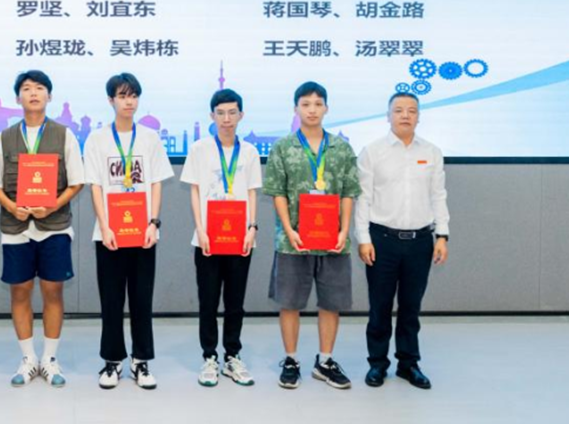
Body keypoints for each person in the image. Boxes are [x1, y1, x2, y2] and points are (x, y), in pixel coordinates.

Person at [0, 69, 85, 387]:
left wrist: (53, 205)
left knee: (53, 291)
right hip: (15, 228)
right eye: (27, 89)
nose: (33, 93)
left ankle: (50, 359)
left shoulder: (64, 135)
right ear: (18, 98)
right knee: (20, 291)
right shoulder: (5, 137)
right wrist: (11, 206)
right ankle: (28, 358)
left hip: (54, 227)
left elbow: (77, 181)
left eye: (40, 88)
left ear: (49, 96)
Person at [263, 81, 360, 390]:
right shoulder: (283, 147)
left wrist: (344, 230)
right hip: (294, 241)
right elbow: (277, 192)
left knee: (331, 302)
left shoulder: (341, 148)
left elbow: (349, 192)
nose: (312, 110)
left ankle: (325, 361)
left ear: (326, 108)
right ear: (296, 109)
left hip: (333, 241)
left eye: (318, 104)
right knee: (289, 302)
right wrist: (288, 229)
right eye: (306, 104)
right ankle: (291, 360)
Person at [85, 72, 173, 390]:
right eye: (122, 96)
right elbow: (95, 185)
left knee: (141, 300)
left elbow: (156, 182)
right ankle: (112, 361)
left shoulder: (150, 138)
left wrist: (153, 222)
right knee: (111, 301)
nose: (129, 102)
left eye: (133, 95)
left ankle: (141, 361)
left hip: (143, 234)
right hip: (109, 235)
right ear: (111, 100)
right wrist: (105, 226)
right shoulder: (97, 139)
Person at [356, 92, 449, 389]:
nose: (405, 115)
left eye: (411, 110)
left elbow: (438, 196)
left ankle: (408, 364)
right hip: (382, 240)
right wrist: (363, 238)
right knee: (380, 306)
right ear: (388, 116)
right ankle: (377, 364)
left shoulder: (432, 152)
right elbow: (363, 198)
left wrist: (442, 235)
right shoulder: (372, 152)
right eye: (398, 110)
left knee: (411, 307)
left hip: (420, 241)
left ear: (419, 116)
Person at [181, 89, 261, 387]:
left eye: (232, 112)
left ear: (241, 115)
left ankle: (232, 356)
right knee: (208, 301)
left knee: (235, 302)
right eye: (221, 113)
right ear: (212, 116)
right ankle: (209, 357)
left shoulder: (249, 152)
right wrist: (200, 229)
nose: (227, 119)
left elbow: (252, 191)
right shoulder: (199, 149)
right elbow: (194, 191)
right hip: (208, 239)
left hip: (240, 238)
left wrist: (252, 227)